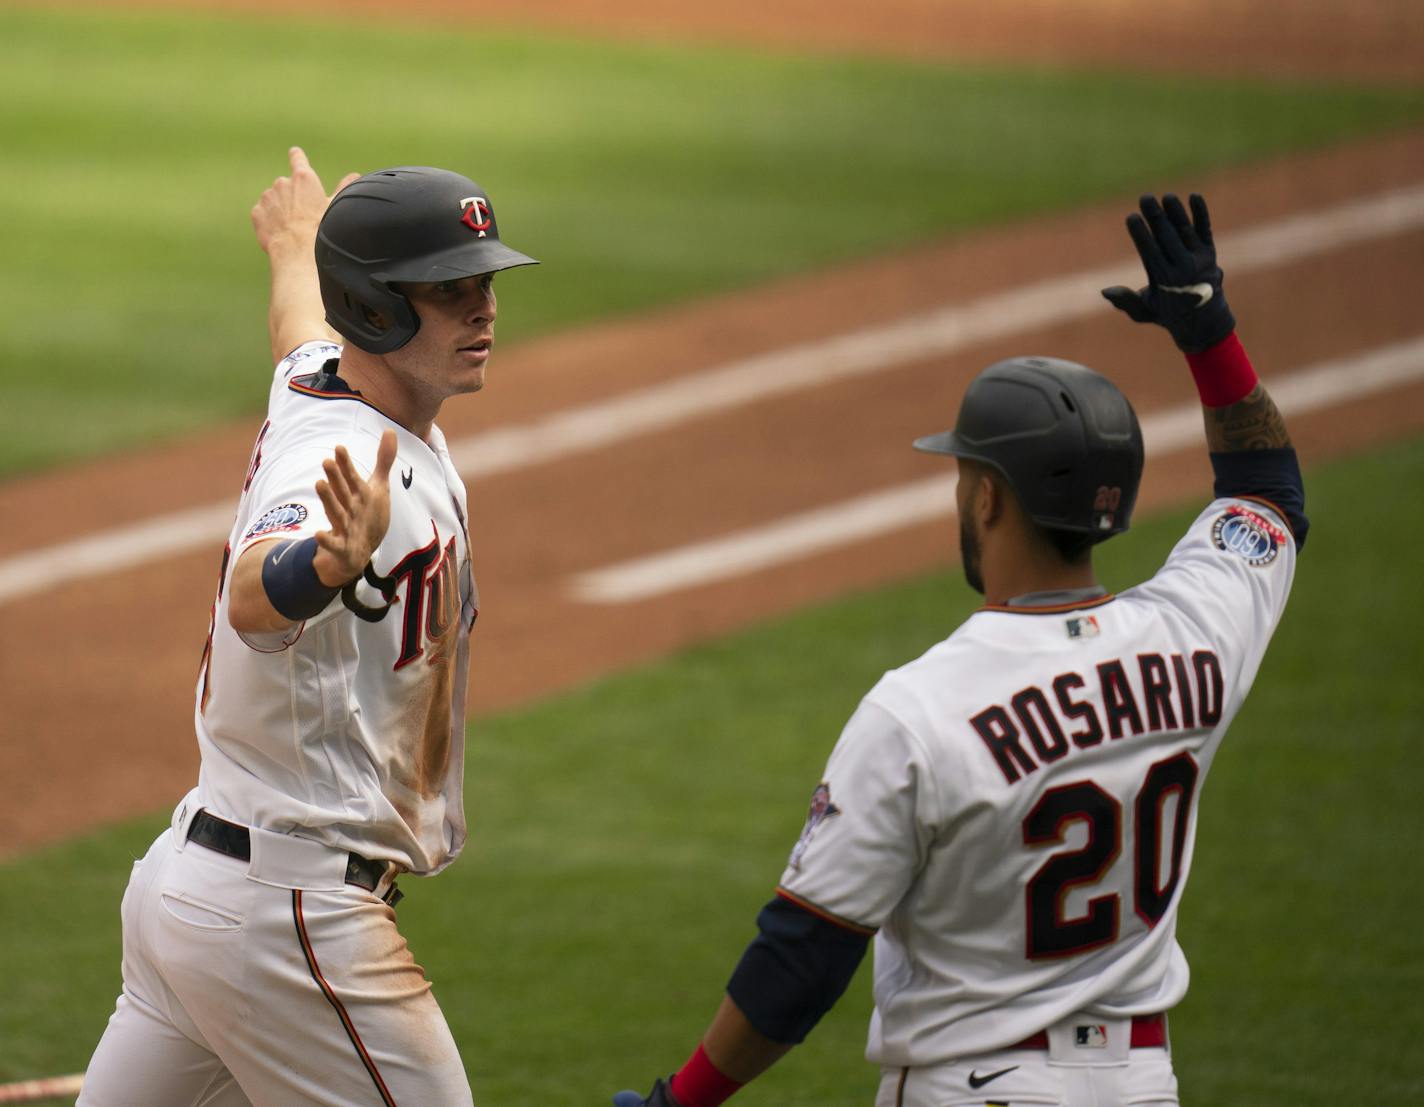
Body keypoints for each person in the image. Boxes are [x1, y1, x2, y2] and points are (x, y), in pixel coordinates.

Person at [612, 192, 1308, 1107]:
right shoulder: (1197, 638)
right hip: (1141, 1085)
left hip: (974, 1086)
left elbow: (807, 953)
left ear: (988, 497)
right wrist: (1209, 330)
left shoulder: (919, 709)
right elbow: (1267, 491)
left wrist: (682, 1101)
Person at [78, 147, 537, 1106]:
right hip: (288, 916)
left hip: (199, 888)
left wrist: (294, 242)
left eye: (485, 284)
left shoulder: (323, 376)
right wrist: (325, 565)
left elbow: (299, 317)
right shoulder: (329, 465)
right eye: (450, 291)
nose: (483, 309)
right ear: (378, 308)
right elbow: (253, 594)